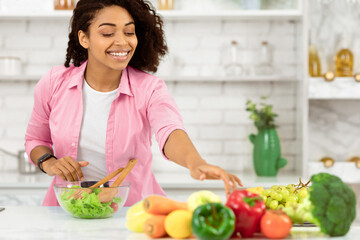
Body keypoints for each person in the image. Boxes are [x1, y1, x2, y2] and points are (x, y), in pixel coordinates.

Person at [25, 0, 242, 206]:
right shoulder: (54, 83)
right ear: (84, 38)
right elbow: (36, 139)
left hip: (133, 212)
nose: (122, 41)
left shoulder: (149, 89)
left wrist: (196, 163)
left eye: (129, 32)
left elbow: (169, 130)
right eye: (107, 33)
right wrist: (49, 162)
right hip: (67, 210)